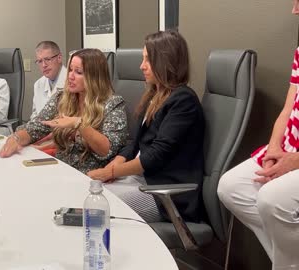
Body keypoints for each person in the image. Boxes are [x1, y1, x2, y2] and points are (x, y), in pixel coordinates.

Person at [88, 30, 205, 223]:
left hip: (164, 194)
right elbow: (134, 143)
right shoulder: (153, 96)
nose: (142, 66)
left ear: (165, 62)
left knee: (97, 209)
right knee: (88, 196)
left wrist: (109, 173)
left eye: (148, 61)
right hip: (140, 181)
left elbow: (156, 155)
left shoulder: (184, 100)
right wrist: (113, 165)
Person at [217, 1, 299, 268]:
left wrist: (294, 161)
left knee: (272, 200)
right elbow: (288, 108)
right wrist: (275, 148)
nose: (294, 11)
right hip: (287, 146)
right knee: (230, 187)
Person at [0, 48, 127, 174]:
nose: (70, 76)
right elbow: (36, 127)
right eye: (70, 70)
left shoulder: (113, 103)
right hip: (59, 169)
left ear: (94, 76)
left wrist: (79, 124)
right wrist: (16, 138)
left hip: (90, 177)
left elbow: (107, 150)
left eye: (78, 72)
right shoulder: (61, 98)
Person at [31, 41, 67, 120]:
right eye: (40, 61)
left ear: (59, 58)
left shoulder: (71, 82)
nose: (44, 65)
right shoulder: (38, 84)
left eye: (47, 59)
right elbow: (34, 115)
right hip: (40, 130)